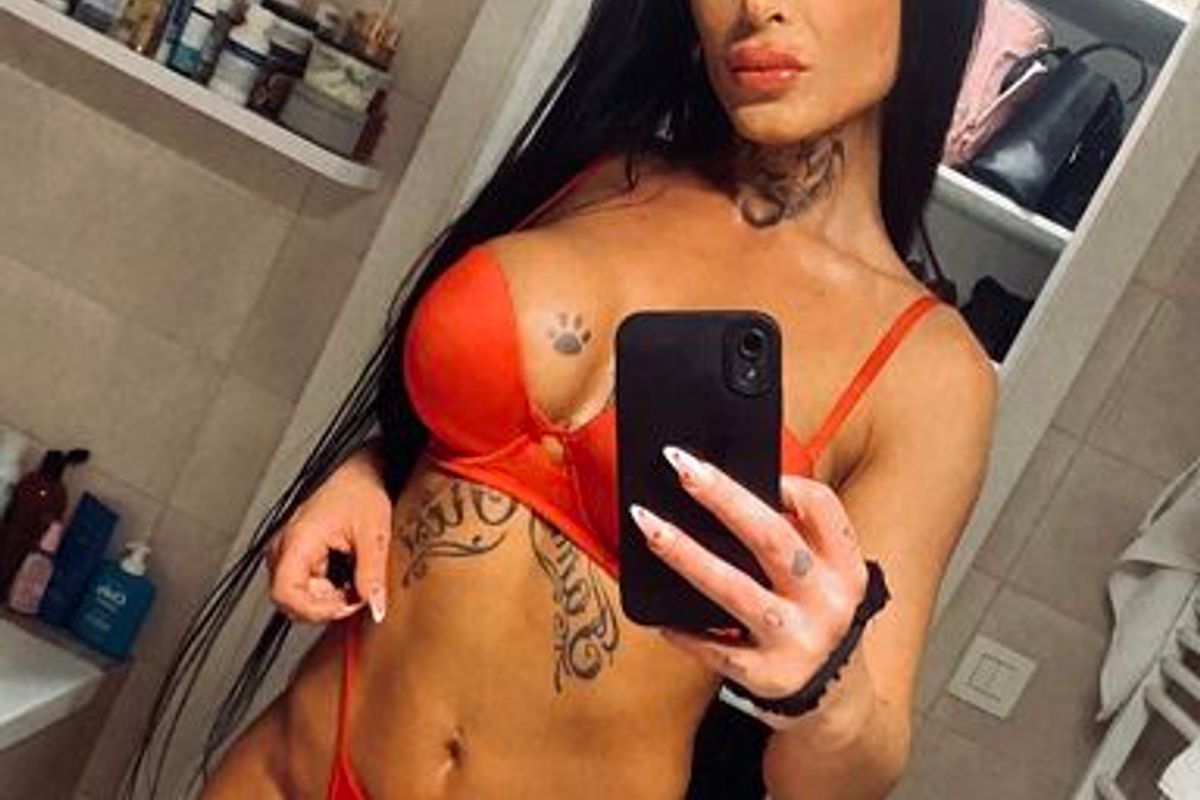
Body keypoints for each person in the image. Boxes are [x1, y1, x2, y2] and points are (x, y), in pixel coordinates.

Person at [129, 1, 994, 798]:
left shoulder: (928, 367)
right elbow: (448, 430)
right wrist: (367, 472)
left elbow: (854, 770)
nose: (756, 9)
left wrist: (826, 689)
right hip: (296, 765)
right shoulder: (596, 173)